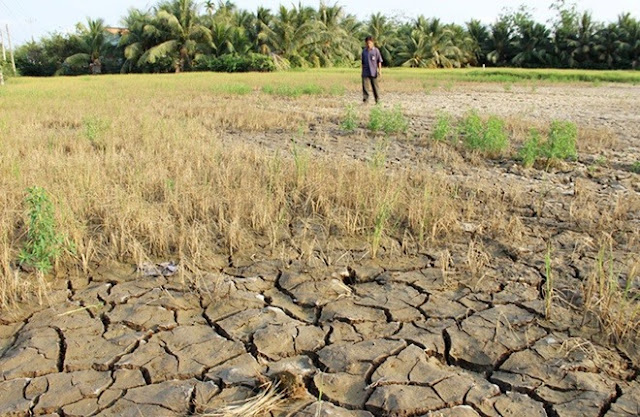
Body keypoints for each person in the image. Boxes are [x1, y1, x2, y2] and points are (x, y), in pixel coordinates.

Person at [361, 36, 383, 104]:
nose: (368, 45)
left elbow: (379, 61)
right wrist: (362, 71)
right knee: (365, 88)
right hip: (365, 72)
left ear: (372, 43)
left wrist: (380, 71)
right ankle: (366, 101)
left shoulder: (376, 51)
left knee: (375, 87)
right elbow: (362, 62)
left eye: (370, 43)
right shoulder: (364, 51)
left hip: (373, 72)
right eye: (367, 43)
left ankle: (377, 101)